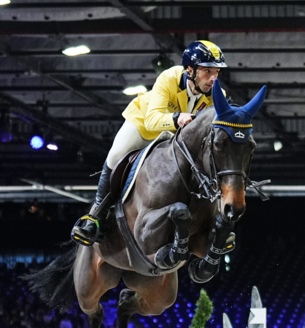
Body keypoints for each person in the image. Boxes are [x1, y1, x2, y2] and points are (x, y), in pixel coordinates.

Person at [70, 40, 228, 246]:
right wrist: (176, 118)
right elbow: (153, 120)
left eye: (217, 72)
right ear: (190, 70)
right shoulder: (169, 78)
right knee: (116, 155)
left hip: (173, 138)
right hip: (143, 124)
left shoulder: (218, 95)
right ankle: (96, 215)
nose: (213, 78)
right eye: (207, 71)